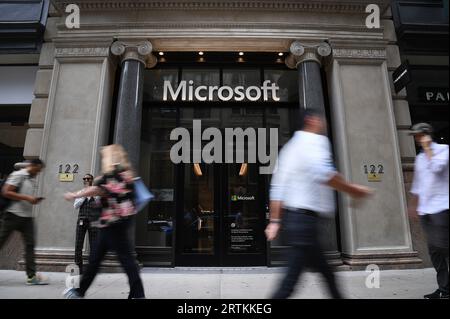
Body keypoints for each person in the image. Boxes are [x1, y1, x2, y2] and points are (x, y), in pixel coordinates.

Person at [265, 108, 372, 299]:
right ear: (311, 120)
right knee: (290, 284)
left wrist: (275, 221)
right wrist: (354, 190)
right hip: (305, 222)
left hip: (295, 221)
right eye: (321, 119)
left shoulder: (289, 148)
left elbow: (277, 188)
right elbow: (325, 174)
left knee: (326, 274)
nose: (324, 122)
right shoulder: (315, 141)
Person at [63, 144, 145, 299]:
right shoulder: (127, 175)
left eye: (105, 156)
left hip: (112, 224)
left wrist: (74, 195)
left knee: (117, 261)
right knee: (102, 260)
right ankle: (80, 291)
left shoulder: (112, 175)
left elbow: (95, 189)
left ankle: (137, 294)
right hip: (119, 223)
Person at [408, 123, 449, 299]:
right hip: (426, 210)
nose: (417, 139)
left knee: (442, 246)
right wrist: (413, 205)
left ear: (426, 135)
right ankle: (444, 289)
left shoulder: (443, 150)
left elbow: (438, 168)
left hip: (442, 207)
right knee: (434, 251)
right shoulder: (420, 158)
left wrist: (428, 148)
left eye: (418, 136)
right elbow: (418, 184)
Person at [0, 159, 48, 285]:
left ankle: (31, 276)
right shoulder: (18, 175)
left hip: (26, 217)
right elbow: (6, 192)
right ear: (32, 166)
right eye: (37, 170)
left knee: (30, 244)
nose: (38, 173)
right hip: (12, 215)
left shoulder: (31, 178)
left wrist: (33, 200)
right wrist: (27, 198)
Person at [73, 173, 101, 274]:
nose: (86, 180)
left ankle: (92, 269)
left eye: (88, 178)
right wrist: (84, 195)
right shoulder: (80, 192)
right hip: (81, 220)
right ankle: (78, 268)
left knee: (93, 245)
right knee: (78, 244)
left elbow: (100, 206)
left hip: (93, 221)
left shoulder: (96, 193)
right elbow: (75, 206)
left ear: (92, 180)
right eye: (84, 178)